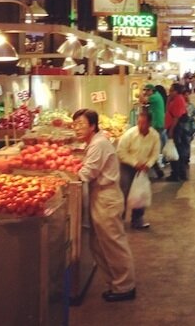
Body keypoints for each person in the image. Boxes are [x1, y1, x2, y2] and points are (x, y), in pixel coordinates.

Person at [73, 108, 136, 302]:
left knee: (112, 242)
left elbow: (88, 173)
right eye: (74, 124)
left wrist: (64, 175)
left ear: (93, 126)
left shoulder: (99, 144)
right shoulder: (94, 142)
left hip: (106, 198)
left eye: (81, 124)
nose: (77, 128)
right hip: (100, 196)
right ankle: (115, 283)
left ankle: (125, 286)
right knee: (99, 244)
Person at [117, 108, 161, 229]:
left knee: (140, 193)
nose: (141, 125)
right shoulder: (129, 134)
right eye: (139, 122)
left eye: (144, 123)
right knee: (124, 190)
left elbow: (155, 153)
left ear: (150, 123)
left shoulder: (154, 136)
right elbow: (121, 152)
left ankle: (137, 220)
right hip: (127, 165)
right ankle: (120, 218)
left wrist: (148, 164)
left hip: (144, 167)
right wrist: (135, 163)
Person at [164, 83, 189, 181]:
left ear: (176, 91)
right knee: (178, 150)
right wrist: (169, 100)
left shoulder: (178, 100)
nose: (170, 92)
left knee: (176, 151)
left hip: (176, 129)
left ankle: (176, 174)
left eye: (171, 90)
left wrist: (171, 130)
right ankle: (180, 173)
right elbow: (168, 111)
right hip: (175, 128)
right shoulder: (175, 99)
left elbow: (176, 117)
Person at [147, 84, 166, 179]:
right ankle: (158, 165)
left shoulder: (154, 97)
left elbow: (142, 100)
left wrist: (136, 90)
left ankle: (158, 164)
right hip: (159, 123)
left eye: (147, 91)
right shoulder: (157, 95)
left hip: (157, 123)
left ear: (151, 90)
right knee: (158, 144)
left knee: (155, 146)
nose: (146, 93)